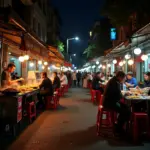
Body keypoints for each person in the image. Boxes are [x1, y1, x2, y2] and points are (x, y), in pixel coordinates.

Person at [103, 71, 131, 135]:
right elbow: (117, 95)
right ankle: (119, 129)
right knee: (125, 111)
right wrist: (124, 95)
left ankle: (119, 126)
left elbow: (116, 94)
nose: (125, 79)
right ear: (120, 77)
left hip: (111, 102)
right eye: (124, 78)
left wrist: (122, 94)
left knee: (126, 107)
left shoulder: (114, 81)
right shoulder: (114, 83)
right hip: (110, 103)